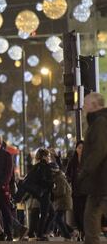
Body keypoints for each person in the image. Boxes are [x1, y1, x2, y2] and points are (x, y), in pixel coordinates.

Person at [78, 92, 107, 244]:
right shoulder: (97, 122)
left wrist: (84, 171)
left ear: (95, 106)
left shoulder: (100, 122)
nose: (83, 107)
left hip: (102, 181)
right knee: (90, 221)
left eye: (86, 104)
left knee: (91, 221)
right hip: (98, 183)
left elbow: (99, 150)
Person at [66, 140, 86, 241]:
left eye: (82, 147)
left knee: (85, 212)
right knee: (77, 213)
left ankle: (84, 232)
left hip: (86, 191)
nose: (81, 150)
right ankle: (81, 230)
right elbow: (67, 175)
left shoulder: (88, 160)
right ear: (76, 149)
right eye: (79, 148)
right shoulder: (72, 161)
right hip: (76, 191)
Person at [51, 163, 73, 241]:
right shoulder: (59, 177)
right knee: (58, 219)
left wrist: (52, 191)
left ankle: (67, 235)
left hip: (63, 201)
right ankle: (71, 231)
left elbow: (61, 191)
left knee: (57, 218)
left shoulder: (59, 178)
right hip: (63, 201)